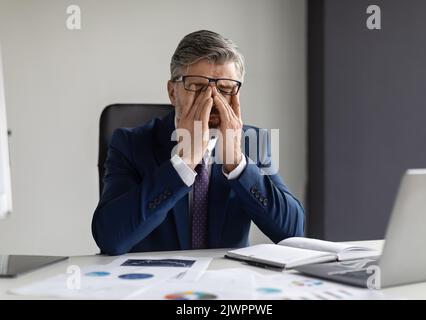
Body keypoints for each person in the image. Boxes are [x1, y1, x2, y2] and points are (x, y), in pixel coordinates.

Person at [92, 30, 305, 255]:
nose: (212, 100)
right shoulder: (130, 143)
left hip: (227, 283)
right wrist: (183, 164)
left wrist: (237, 163)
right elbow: (110, 238)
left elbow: (293, 232)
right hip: (156, 281)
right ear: (172, 92)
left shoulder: (254, 142)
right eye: (197, 87)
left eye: (225, 89)